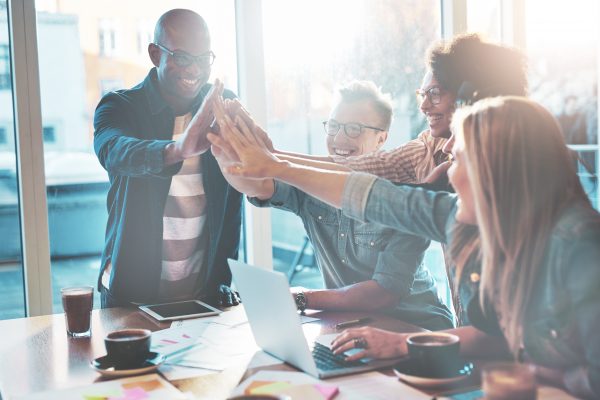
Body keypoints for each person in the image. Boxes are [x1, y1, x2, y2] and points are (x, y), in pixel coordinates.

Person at [210, 97, 600, 399]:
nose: (448, 172)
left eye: (459, 159)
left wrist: (553, 375)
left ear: (498, 170)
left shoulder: (580, 249)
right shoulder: (470, 219)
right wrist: (273, 164)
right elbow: (376, 198)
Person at [213, 81, 453, 331]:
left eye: (354, 129)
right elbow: (258, 185)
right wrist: (226, 150)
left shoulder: (400, 198)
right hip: (351, 326)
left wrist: (301, 297)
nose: (339, 138)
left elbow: (383, 293)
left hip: (419, 329)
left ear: (381, 138)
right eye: (334, 126)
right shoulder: (311, 184)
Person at [93, 9, 242, 308]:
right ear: (154, 54)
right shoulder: (120, 106)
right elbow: (114, 151)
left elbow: (247, 181)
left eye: (203, 58)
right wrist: (178, 149)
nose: (194, 69)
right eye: (182, 57)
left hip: (205, 293)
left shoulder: (222, 108)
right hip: (131, 293)